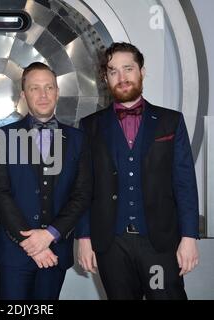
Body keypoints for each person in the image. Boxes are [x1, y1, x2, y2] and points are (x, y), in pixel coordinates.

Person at [76, 42, 199, 300]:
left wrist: (189, 236)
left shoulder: (170, 121)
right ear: (105, 78)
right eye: (113, 71)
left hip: (159, 243)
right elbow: (84, 188)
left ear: (142, 71)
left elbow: (184, 182)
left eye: (128, 69)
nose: (122, 78)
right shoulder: (90, 126)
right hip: (111, 244)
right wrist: (84, 237)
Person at [0, 62, 92, 299]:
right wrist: (32, 244)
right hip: (14, 252)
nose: (43, 94)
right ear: (23, 95)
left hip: (56, 250)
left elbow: (82, 194)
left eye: (49, 87)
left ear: (57, 92)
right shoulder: (1, 138)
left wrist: (49, 235)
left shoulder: (79, 140)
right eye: (35, 88)